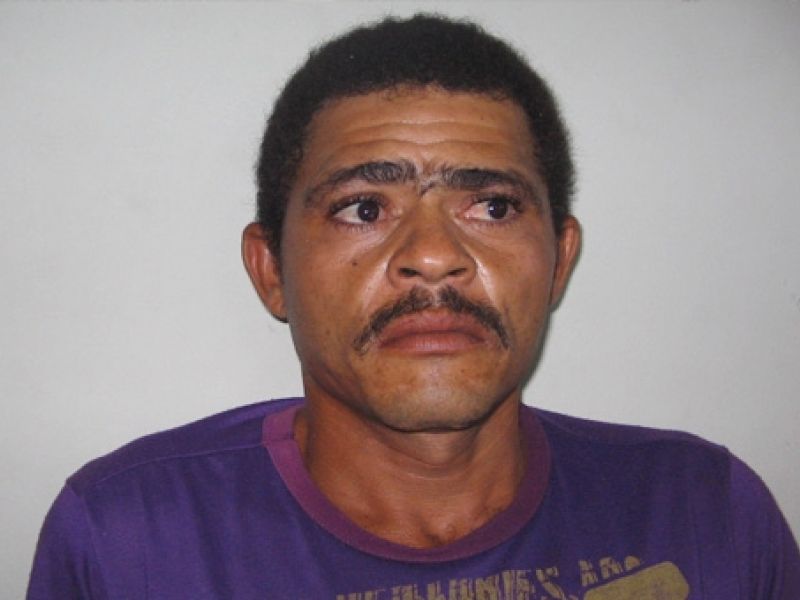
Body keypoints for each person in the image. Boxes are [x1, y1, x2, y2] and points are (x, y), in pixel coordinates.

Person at [27, 14, 799, 600]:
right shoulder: (130, 541)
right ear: (271, 271)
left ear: (560, 260)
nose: (432, 255)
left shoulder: (706, 515)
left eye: (492, 206)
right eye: (363, 207)